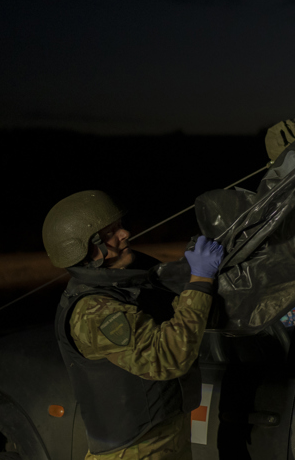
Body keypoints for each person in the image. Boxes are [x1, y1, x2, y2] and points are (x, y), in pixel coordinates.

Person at [44, 189, 225, 460]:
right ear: (85, 249)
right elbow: (168, 358)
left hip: (164, 441)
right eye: (109, 234)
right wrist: (200, 281)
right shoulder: (94, 311)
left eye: (119, 227)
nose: (124, 234)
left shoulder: (128, 283)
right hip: (134, 452)